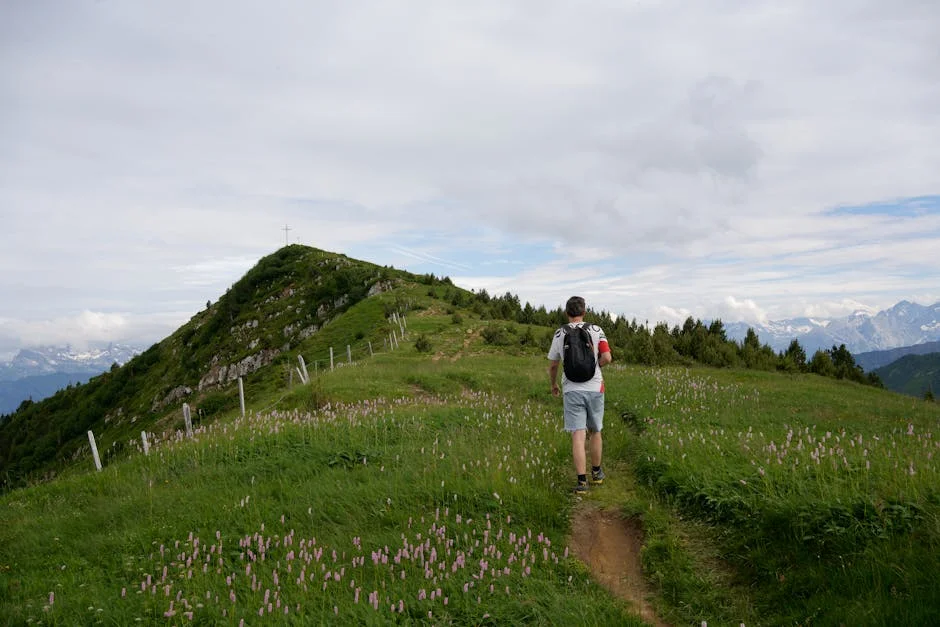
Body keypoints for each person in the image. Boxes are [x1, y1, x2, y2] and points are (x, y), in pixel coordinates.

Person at [547, 296, 613, 493]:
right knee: (595, 431)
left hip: (571, 388)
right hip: (595, 387)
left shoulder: (560, 333)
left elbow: (553, 365)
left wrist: (553, 385)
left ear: (567, 313)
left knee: (578, 434)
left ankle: (582, 482)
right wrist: (595, 367)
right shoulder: (596, 330)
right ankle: (597, 473)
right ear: (584, 311)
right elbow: (607, 357)